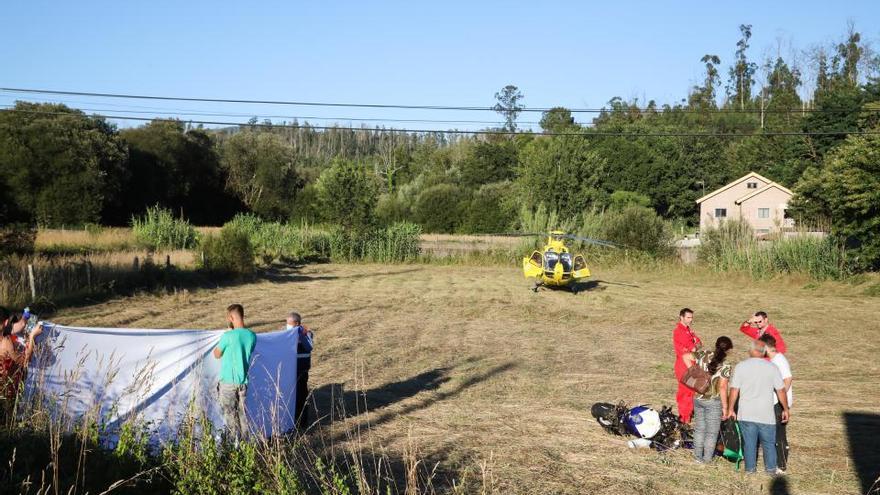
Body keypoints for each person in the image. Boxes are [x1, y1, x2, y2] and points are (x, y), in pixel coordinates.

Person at [727, 339, 790, 474]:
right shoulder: (772, 368)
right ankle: (771, 470)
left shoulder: (741, 367)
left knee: (749, 444)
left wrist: (730, 408)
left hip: (747, 413)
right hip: (766, 414)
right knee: (769, 444)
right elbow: (781, 390)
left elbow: (734, 390)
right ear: (763, 352)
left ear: (752, 351)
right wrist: (785, 409)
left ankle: (750, 470)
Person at [213, 304, 257, 442]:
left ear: (231, 317)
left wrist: (227, 334)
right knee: (243, 415)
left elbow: (217, 354)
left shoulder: (228, 336)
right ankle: (245, 445)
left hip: (228, 383)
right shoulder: (252, 336)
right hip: (243, 382)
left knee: (230, 416)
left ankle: (233, 446)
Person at [689, 336, 733, 464]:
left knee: (699, 429)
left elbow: (686, 356)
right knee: (711, 433)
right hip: (713, 401)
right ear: (729, 350)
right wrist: (725, 407)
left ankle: (697, 458)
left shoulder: (703, 354)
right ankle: (707, 460)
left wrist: (695, 372)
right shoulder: (725, 365)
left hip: (698, 398)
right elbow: (723, 387)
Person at [0, 307, 43, 424]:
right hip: (6, 392)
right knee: (9, 422)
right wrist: (32, 337)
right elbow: (24, 361)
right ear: (5, 322)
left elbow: (18, 326)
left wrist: (24, 319)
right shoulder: (6, 342)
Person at [760, 334, 793, 473]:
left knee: (779, 435)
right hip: (775, 402)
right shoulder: (774, 360)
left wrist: (781, 397)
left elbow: (788, 379)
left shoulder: (779, 360)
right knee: (773, 433)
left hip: (779, 404)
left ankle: (781, 465)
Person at [673, 308, 702, 423]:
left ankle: (686, 416)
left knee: (690, 391)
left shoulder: (687, 330)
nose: (691, 320)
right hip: (683, 365)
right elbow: (695, 347)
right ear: (681, 317)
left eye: (691, 317)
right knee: (685, 392)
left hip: (690, 363)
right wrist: (695, 344)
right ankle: (684, 418)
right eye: (688, 317)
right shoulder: (679, 331)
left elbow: (699, 343)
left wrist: (695, 344)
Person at [286, 311, 313, 430]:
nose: (287, 326)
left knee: (301, 395)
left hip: (301, 370)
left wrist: (300, 334)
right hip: (289, 370)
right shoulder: (286, 333)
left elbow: (309, 347)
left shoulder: (306, 333)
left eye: (290, 324)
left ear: (297, 324)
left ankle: (302, 423)